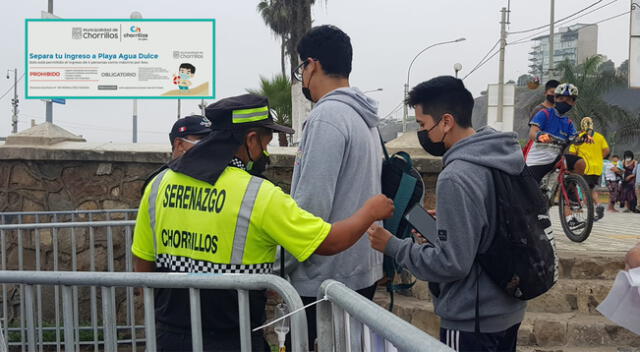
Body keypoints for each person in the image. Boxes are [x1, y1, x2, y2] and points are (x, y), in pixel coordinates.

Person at [131, 94, 394, 352]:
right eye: (266, 141)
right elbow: (329, 241)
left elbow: (143, 266)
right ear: (251, 139)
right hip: (235, 339)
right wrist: (370, 212)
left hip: (168, 337)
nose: (266, 151)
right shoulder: (258, 195)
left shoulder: (158, 185)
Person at [367, 76, 526, 352]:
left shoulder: (456, 175)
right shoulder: (503, 157)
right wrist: (447, 225)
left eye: (422, 124)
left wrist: (393, 246)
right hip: (508, 307)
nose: (421, 132)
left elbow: (452, 264)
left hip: (472, 319)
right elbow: (491, 226)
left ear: (447, 122)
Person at [280, 25, 384, 349]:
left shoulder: (327, 117)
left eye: (301, 69)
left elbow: (310, 210)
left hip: (323, 282)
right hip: (361, 272)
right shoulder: (365, 119)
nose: (303, 78)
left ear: (312, 65)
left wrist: (279, 269)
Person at [525, 83, 588, 184]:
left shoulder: (568, 123)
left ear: (573, 103)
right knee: (533, 193)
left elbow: (575, 139)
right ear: (555, 99)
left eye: (568, 100)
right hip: (539, 159)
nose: (564, 101)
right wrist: (541, 136)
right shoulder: (544, 113)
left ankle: (570, 191)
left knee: (580, 163)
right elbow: (532, 132)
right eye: (561, 98)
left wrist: (582, 138)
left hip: (556, 158)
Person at [140, 115, 212, 196]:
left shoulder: (219, 178)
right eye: (202, 140)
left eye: (211, 140)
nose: (209, 145)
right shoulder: (156, 183)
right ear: (179, 144)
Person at [568, 117, 609, 220]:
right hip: (597, 167)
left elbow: (572, 153)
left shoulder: (579, 138)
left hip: (584, 167)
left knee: (584, 190)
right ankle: (598, 206)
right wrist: (598, 157)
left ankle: (587, 213)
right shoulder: (599, 137)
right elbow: (606, 150)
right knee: (591, 188)